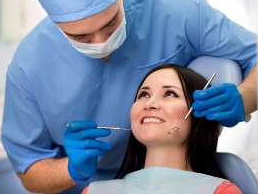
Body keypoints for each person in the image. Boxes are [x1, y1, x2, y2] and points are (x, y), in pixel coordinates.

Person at [1, 0, 258, 193]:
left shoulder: (175, 11)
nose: (102, 42)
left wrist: (244, 97)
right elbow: (29, 169)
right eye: (143, 94)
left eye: (169, 93)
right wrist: (70, 170)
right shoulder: (28, 66)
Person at [82, 64, 242, 194]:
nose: (149, 103)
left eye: (170, 94)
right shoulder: (94, 191)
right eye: (143, 95)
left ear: (198, 117)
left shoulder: (220, 191)